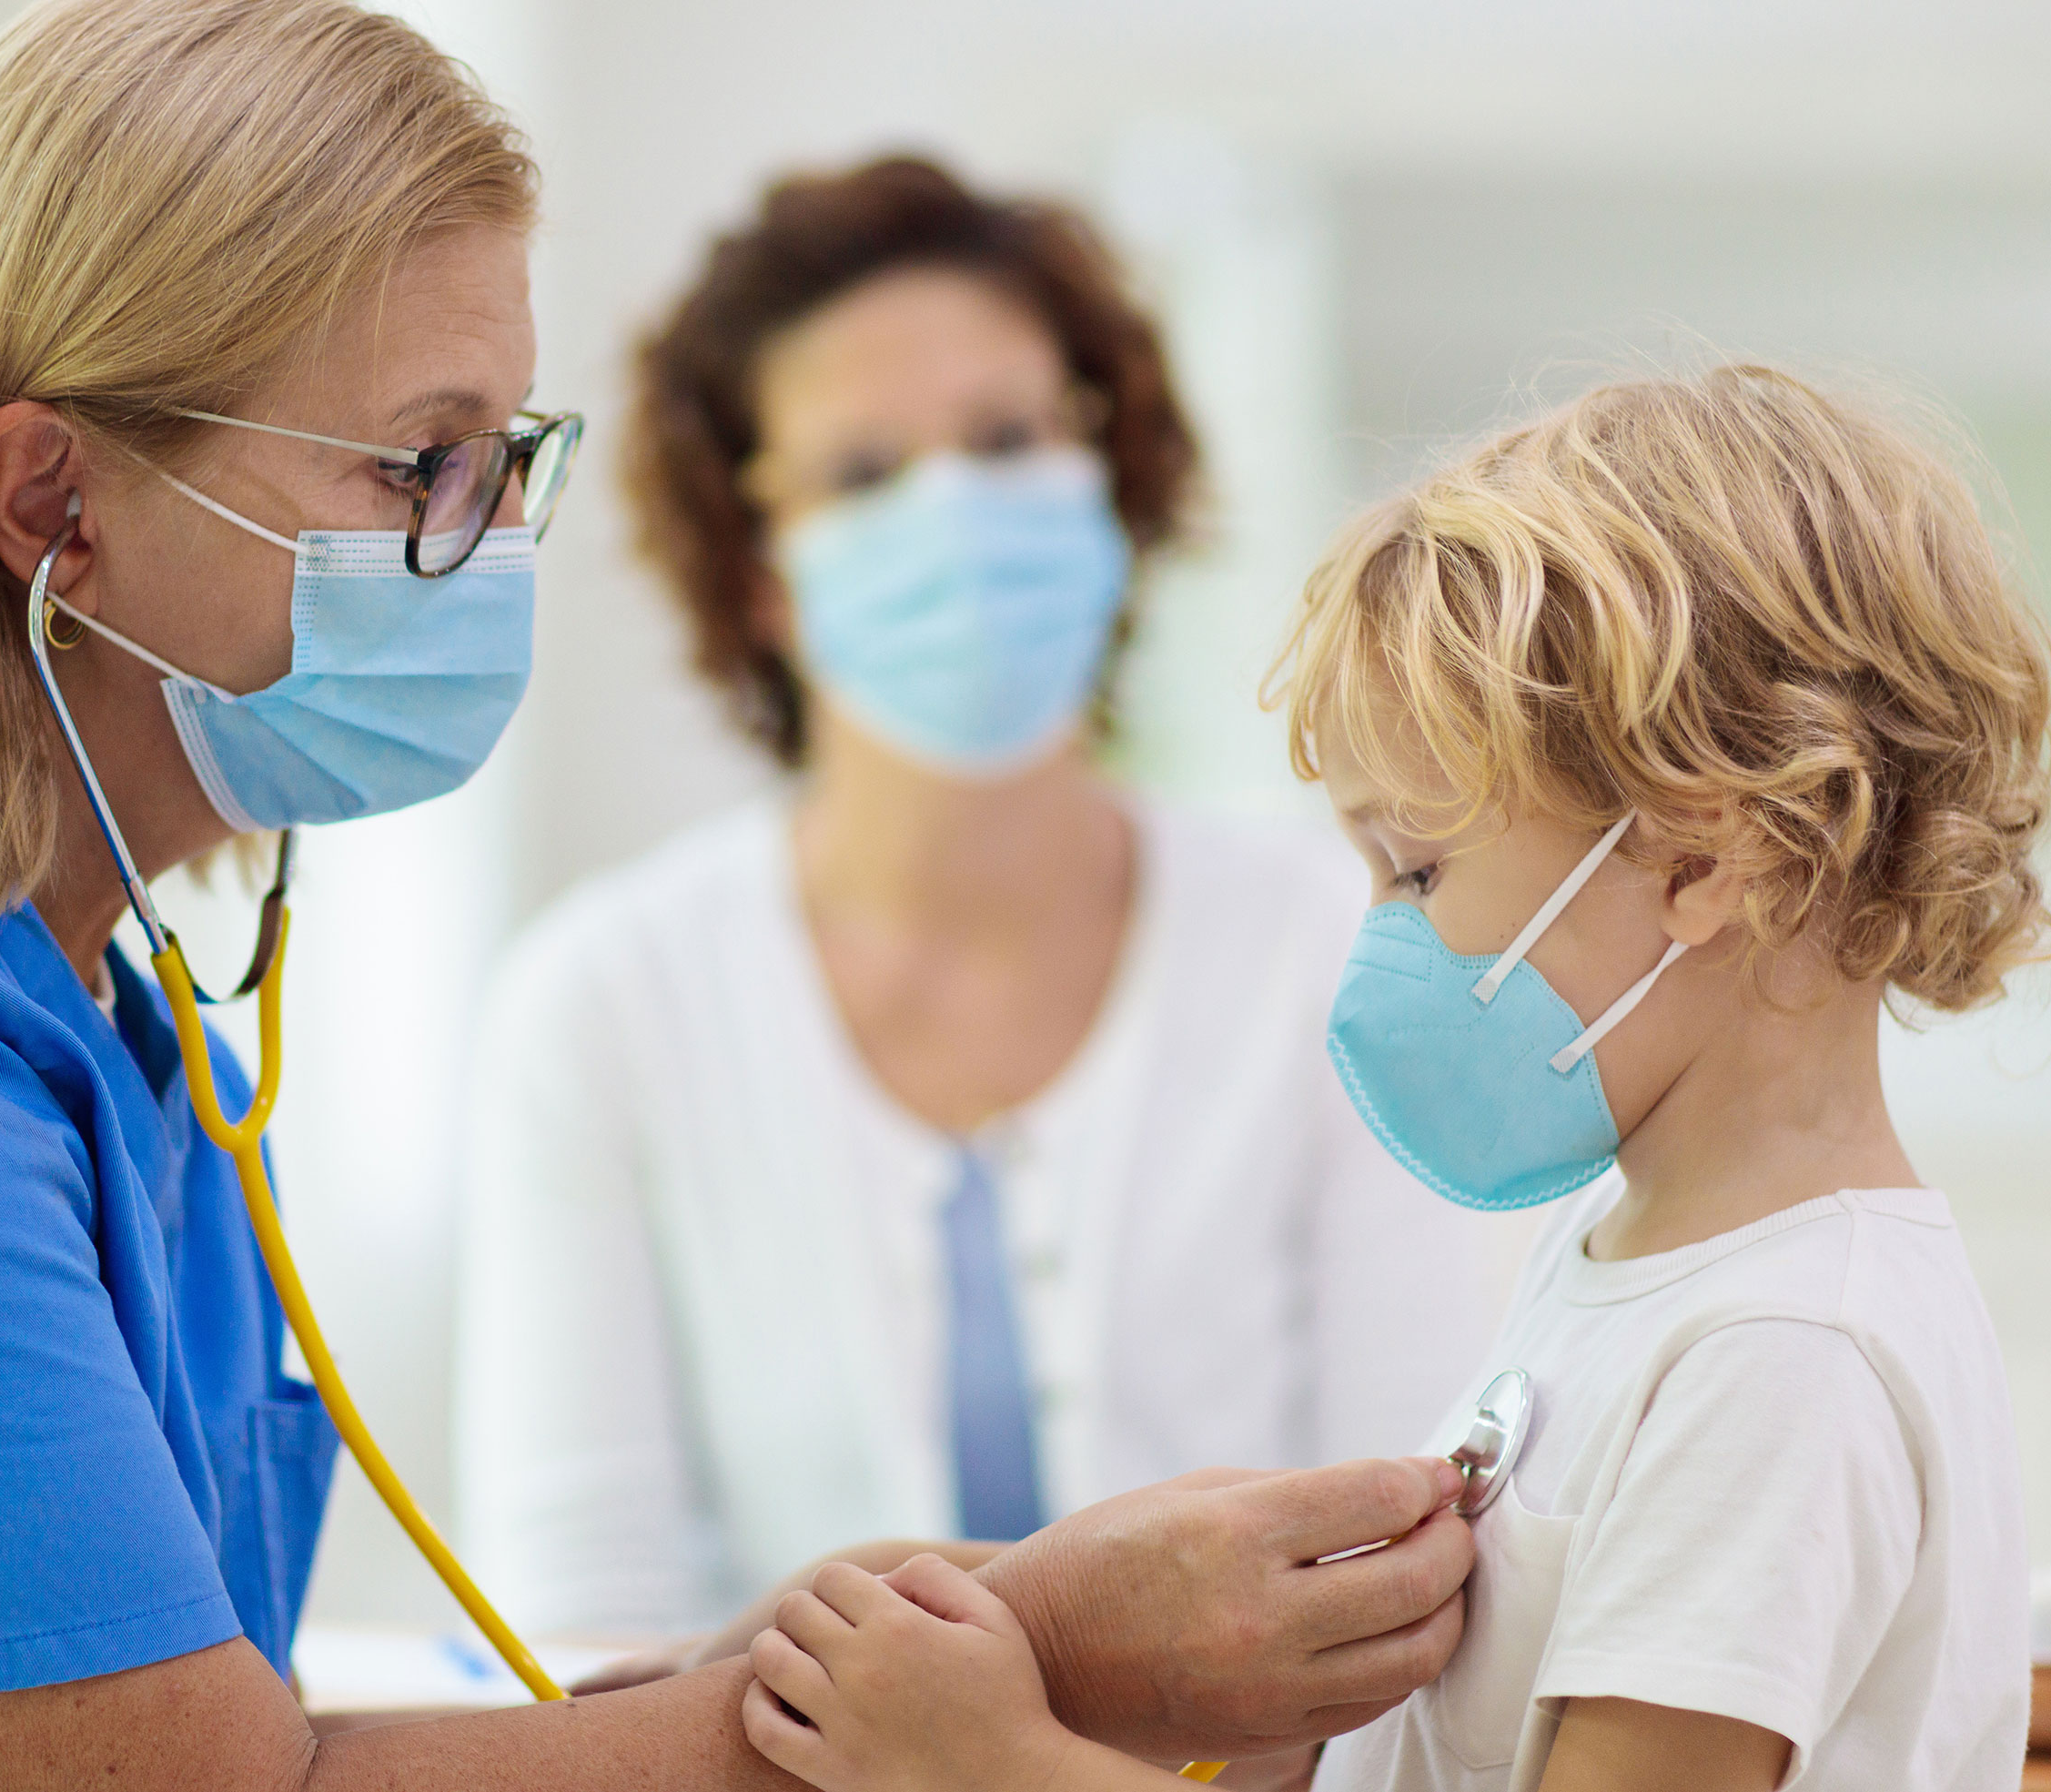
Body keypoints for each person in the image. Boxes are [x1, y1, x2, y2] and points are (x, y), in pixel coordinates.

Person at [0, 4, 1480, 1787]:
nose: (482, 546)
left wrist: (963, 1638)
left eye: (509, 459)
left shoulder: (64, 995)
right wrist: (1036, 1655)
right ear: (54, 503)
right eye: (419, 467)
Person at [729, 366, 2051, 1792]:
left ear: (1701, 859)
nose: (1380, 936)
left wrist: (989, 1765)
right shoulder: (1634, 1259)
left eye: (1419, 867)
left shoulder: (1783, 1357)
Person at [454, 155, 1493, 1648]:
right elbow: (577, 1635)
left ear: (1111, 474)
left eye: (1009, 438)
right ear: (757, 572)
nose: (956, 512)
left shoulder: (1335, 942)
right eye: (865, 474)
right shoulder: (605, 1003)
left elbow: (1415, 1552)